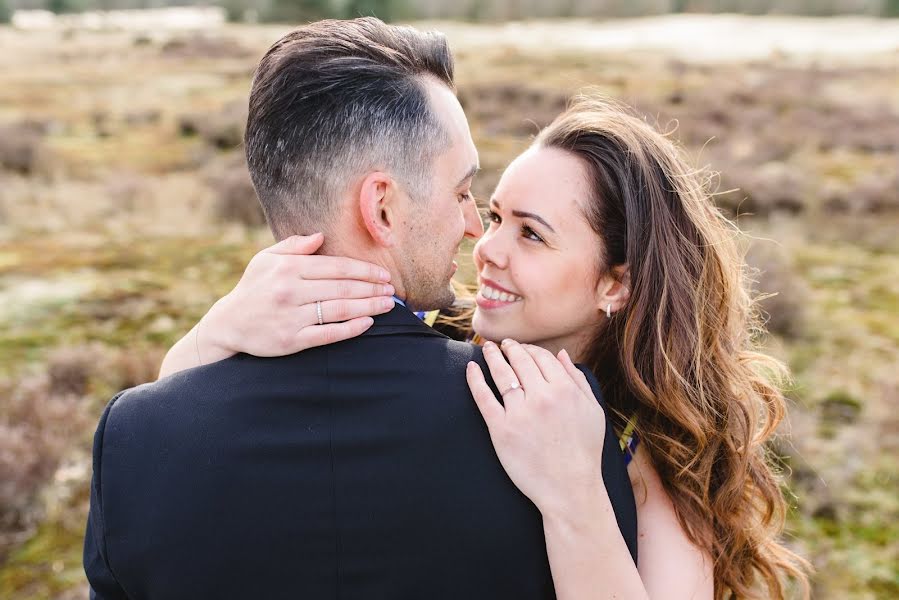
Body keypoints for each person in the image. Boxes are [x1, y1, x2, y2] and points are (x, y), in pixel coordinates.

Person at [161, 94, 813, 597]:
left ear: (616, 283)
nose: (487, 248)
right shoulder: (429, 343)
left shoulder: (655, 459)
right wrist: (217, 330)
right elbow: (170, 423)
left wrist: (575, 494)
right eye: (494, 215)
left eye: (530, 235)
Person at [83, 18, 638, 600]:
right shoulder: (557, 420)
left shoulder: (133, 439)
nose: (473, 227)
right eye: (460, 192)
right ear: (383, 210)